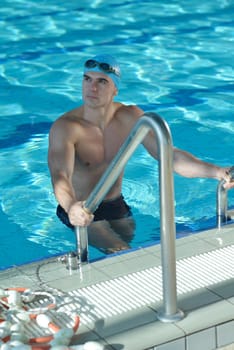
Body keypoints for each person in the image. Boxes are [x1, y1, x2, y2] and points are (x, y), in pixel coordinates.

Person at [48, 54, 234, 253]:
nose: (92, 88)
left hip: (116, 204)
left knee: (136, 252)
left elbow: (169, 156)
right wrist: (71, 207)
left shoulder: (130, 116)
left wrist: (218, 171)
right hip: (81, 206)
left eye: (102, 81)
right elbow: (60, 176)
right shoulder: (66, 127)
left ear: (115, 90)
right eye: (87, 79)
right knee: (121, 252)